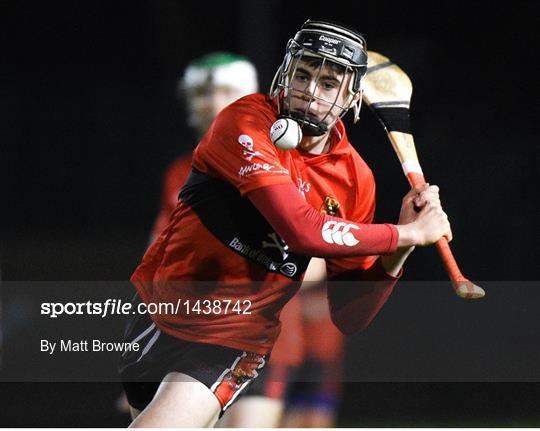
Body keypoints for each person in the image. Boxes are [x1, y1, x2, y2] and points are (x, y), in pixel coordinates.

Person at [119, 19, 452, 428]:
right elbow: (301, 229)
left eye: (328, 83)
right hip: (158, 311)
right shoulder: (244, 120)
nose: (311, 92)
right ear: (286, 73)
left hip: (231, 337)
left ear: (352, 96)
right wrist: (402, 233)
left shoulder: (354, 179)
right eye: (304, 74)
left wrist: (401, 249)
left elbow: (349, 313)